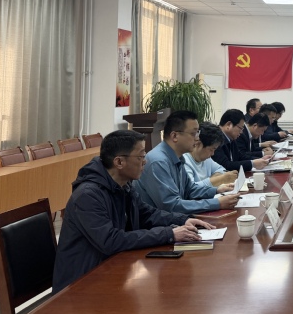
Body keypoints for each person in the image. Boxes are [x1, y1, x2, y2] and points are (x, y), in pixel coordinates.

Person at [52, 130, 213, 293]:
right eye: (140, 156)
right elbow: (110, 241)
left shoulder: (123, 184)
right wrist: (169, 234)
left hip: (112, 270)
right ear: (119, 162)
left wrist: (183, 220)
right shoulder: (88, 195)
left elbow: (146, 214)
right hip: (81, 285)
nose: (145, 161)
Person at [134, 110, 238, 214]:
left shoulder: (177, 157)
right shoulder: (158, 161)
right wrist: (217, 203)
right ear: (174, 136)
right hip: (157, 222)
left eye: (197, 133)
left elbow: (190, 190)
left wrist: (217, 190)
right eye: (193, 133)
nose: (197, 139)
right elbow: (172, 206)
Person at [211, 109, 270, 175]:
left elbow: (240, 156)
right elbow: (225, 165)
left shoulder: (231, 137)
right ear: (229, 125)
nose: (241, 132)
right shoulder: (215, 138)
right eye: (240, 128)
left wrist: (259, 160)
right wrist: (252, 163)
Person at [183, 122, 237, 187]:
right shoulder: (184, 162)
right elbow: (191, 188)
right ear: (198, 144)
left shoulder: (206, 159)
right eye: (211, 149)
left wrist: (213, 180)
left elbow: (221, 169)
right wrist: (219, 179)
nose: (213, 153)